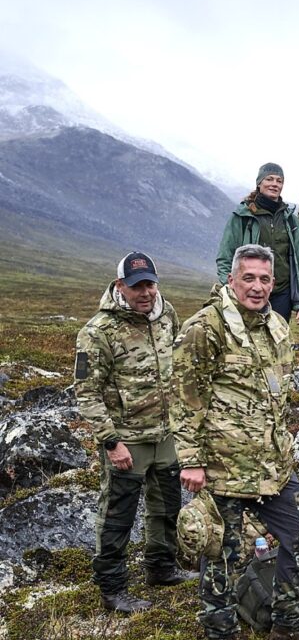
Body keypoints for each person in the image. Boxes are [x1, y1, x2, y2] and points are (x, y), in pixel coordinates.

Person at [172, 244, 299, 640]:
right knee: (222, 552)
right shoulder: (204, 328)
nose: (258, 287)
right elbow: (186, 398)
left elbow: (275, 398)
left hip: (273, 466)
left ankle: (288, 624)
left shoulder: (277, 326)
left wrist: (285, 446)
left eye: (265, 280)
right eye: (249, 278)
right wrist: (190, 459)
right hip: (223, 465)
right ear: (232, 279)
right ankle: (219, 639)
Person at [74, 252, 185, 614]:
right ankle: (112, 588)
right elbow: (86, 392)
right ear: (120, 285)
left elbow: (179, 364)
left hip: (166, 433)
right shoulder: (97, 332)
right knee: (118, 514)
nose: (145, 293)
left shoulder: (167, 315)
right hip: (126, 439)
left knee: (167, 507)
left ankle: (162, 568)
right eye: (137, 286)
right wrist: (110, 441)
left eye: (150, 284)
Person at [215, 162, 299, 325]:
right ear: (259, 183)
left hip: (282, 294)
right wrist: (233, 290)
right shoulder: (242, 217)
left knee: (277, 343)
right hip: (250, 292)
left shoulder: (291, 220)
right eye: (269, 179)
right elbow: (225, 258)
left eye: (279, 181)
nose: (274, 184)